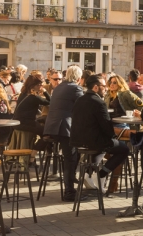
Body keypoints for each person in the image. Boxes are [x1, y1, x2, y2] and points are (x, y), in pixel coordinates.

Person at [70, 74, 129, 193]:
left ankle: (88, 174)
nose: (106, 88)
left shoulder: (79, 100)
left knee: (101, 148)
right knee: (124, 149)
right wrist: (115, 136)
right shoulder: (99, 103)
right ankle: (101, 174)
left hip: (78, 141)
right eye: (104, 85)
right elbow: (107, 128)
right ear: (96, 87)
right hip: (94, 141)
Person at [44, 65, 84, 201]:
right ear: (79, 78)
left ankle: (72, 179)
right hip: (64, 127)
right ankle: (69, 192)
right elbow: (83, 106)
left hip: (52, 127)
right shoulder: (75, 88)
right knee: (70, 157)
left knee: (73, 154)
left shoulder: (59, 87)